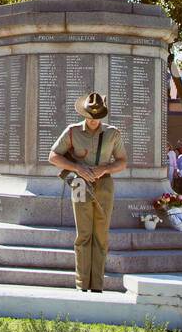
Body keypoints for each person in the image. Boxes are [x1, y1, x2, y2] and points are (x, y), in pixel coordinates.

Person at [48, 91, 126, 294]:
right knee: (83, 234)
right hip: (80, 185)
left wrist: (105, 169)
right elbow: (53, 156)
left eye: (98, 117)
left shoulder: (113, 133)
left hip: (104, 185)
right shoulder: (72, 132)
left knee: (101, 234)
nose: (94, 121)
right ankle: (82, 284)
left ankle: (97, 285)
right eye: (91, 117)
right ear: (84, 113)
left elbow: (122, 162)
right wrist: (77, 169)